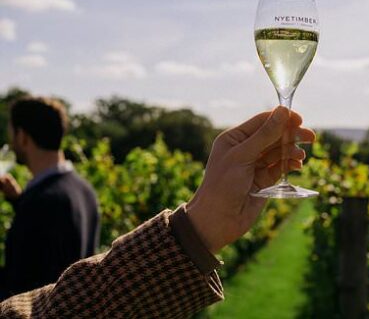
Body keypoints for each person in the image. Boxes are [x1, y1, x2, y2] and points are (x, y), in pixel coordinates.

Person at [0, 106, 315, 318]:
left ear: (22, 137)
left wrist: (197, 229)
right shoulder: (80, 188)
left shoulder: (46, 201)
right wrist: (196, 231)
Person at [0, 97, 100, 300]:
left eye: (13, 134)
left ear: (23, 137)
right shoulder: (84, 190)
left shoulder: (44, 203)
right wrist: (19, 200)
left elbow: (22, 287)